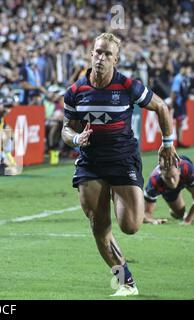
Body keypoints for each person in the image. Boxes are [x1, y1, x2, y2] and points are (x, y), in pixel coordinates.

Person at [61, 33, 179, 297]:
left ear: (116, 59)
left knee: (131, 226)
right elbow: (66, 130)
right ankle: (125, 281)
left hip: (122, 160)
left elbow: (161, 107)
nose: (101, 58)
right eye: (97, 52)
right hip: (90, 163)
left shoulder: (128, 86)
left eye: (106, 54)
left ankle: (119, 194)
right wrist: (77, 138)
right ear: (90, 54)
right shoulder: (75, 91)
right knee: (98, 225)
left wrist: (168, 142)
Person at [143, 156, 194, 225]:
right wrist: (153, 221)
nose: (172, 182)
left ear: (178, 171)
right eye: (167, 178)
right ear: (161, 174)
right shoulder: (154, 182)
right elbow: (146, 213)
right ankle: (176, 209)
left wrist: (188, 220)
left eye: (173, 176)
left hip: (186, 177)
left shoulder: (187, 168)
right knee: (179, 214)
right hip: (168, 189)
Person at [170, 62, 192, 148]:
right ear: (183, 68)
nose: (189, 71)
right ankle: (178, 141)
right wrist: (172, 103)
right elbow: (174, 91)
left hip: (182, 103)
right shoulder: (178, 78)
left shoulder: (184, 78)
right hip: (178, 103)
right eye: (188, 69)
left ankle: (179, 141)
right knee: (178, 122)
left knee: (180, 122)